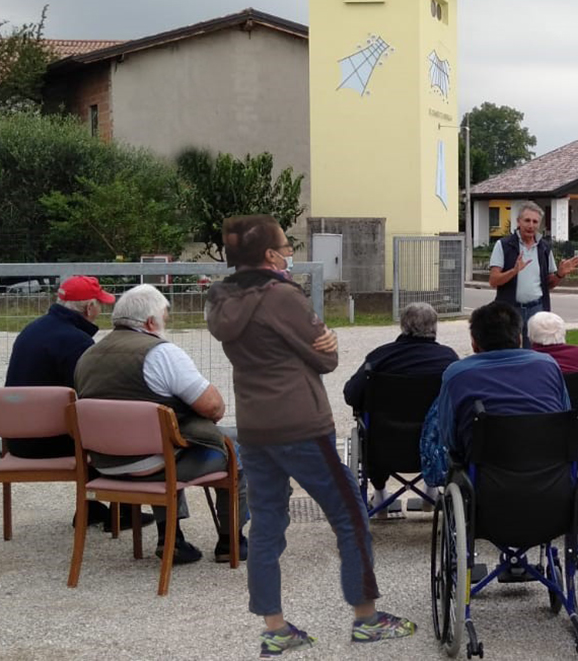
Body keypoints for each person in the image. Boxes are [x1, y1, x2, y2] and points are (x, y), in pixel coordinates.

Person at [207, 214, 415, 658]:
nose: (290, 254)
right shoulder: (283, 296)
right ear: (268, 255)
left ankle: (275, 627)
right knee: (350, 514)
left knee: (266, 525)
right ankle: (366, 617)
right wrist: (329, 340)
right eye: (285, 246)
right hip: (301, 423)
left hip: (255, 426)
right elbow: (326, 359)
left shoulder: (219, 298)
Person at [74, 284, 248, 565]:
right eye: (165, 317)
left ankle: (171, 538)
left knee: (166, 443)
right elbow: (213, 407)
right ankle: (231, 540)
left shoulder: (86, 357)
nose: (166, 322)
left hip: (104, 465)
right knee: (237, 444)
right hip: (153, 466)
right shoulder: (161, 354)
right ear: (151, 321)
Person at [2, 276, 152, 531]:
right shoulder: (76, 341)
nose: (101, 310)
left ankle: (92, 508)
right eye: (99, 304)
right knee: (114, 430)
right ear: (88, 307)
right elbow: (92, 394)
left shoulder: (32, 329)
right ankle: (125, 511)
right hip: (51, 442)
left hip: (17, 441)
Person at [419, 302, 570, 487]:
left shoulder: (457, 375)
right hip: (550, 473)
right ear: (520, 339)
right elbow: (565, 413)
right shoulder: (548, 365)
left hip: (486, 479)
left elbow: (449, 436)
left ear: (474, 343)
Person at [343, 302, 458, 513]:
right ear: (434, 327)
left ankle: (380, 496)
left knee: (370, 431)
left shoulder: (380, 358)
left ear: (403, 326)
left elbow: (351, 395)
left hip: (384, 446)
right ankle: (431, 490)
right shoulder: (448, 360)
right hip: (432, 445)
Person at [488, 201, 578, 348]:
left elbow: (549, 284)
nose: (530, 225)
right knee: (509, 351)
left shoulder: (544, 247)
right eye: (527, 220)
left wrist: (559, 274)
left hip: (537, 309)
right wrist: (514, 271)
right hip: (510, 310)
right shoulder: (504, 245)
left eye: (535, 221)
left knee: (535, 352)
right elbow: (493, 281)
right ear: (518, 222)